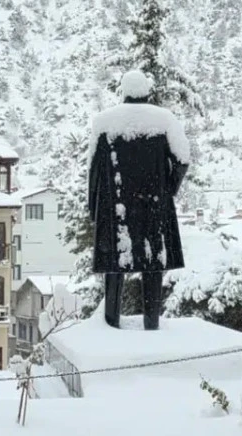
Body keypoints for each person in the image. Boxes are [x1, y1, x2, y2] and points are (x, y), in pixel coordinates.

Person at [87, 70, 191, 330]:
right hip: (152, 206)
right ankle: (151, 324)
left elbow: (94, 172)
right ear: (146, 92)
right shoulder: (164, 120)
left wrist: (95, 211)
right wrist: (168, 189)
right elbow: (182, 159)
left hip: (116, 210)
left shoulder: (104, 124)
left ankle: (110, 323)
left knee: (115, 265)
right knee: (152, 262)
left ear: (124, 92)